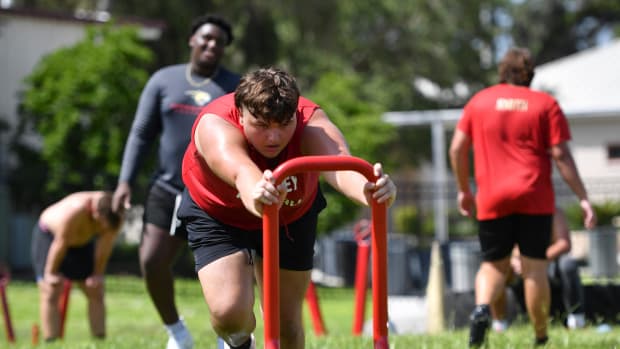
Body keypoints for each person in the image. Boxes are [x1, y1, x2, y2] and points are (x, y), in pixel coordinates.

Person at [177, 67, 397, 349]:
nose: (274, 137)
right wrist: (259, 193)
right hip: (220, 214)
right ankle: (239, 342)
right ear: (241, 113)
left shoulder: (310, 121)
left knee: (286, 326)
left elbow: (341, 166)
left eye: (284, 124)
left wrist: (370, 190)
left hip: (290, 215)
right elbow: (240, 172)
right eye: (262, 125)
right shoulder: (215, 125)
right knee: (229, 314)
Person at [449, 47, 596, 347]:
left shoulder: (479, 102)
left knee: (492, 264)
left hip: (492, 197)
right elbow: (560, 154)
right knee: (534, 267)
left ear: (501, 72)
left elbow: (456, 149)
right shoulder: (545, 104)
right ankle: (541, 336)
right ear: (530, 74)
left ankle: (481, 309)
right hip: (534, 195)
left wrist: (464, 190)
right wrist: (583, 197)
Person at [111, 14, 240, 349]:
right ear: (192, 40)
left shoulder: (235, 87)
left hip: (213, 194)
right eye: (206, 38)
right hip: (167, 188)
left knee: (221, 270)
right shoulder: (163, 80)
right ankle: (177, 332)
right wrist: (125, 181)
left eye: (219, 42)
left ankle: (230, 335)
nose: (212, 45)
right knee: (152, 261)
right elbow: (141, 134)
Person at [31, 191, 123, 342]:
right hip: (51, 238)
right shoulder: (75, 211)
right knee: (51, 289)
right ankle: (51, 342)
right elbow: (60, 243)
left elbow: (105, 246)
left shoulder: (115, 214)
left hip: (81, 242)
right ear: (94, 212)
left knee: (95, 289)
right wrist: (51, 273)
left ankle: (100, 341)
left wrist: (97, 274)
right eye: (100, 224)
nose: (101, 229)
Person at [490, 208, 586, 332]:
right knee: (496, 269)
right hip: (519, 263)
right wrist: (516, 259)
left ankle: (576, 321)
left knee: (568, 264)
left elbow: (564, 243)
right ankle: (499, 324)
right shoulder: (511, 212)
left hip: (547, 263)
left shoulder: (554, 213)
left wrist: (537, 261)